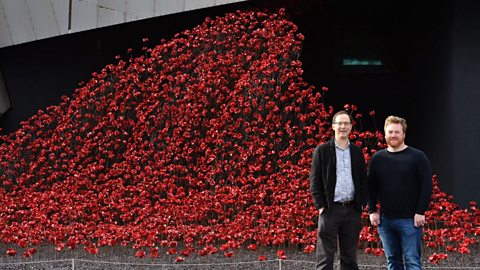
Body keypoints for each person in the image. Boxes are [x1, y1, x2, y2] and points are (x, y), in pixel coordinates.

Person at [368, 115, 432, 270]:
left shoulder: (417, 157)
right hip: (385, 221)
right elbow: (371, 186)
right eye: (390, 132)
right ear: (385, 134)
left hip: (410, 220)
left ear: (404, 134)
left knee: (412, 261)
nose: (393, 135)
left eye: (397, 132)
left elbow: (427, 186)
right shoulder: (378, 158)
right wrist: (372, 211)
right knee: (392, 261)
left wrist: (420, 211)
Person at [309, 110, 367, 270]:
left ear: (350, 127)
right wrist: (321, 206)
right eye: (339, 123)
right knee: (324, 258)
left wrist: (362, 204)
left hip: (352, 210)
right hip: (330, 210)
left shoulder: (356, 151)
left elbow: (363, 179)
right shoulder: (322, 151)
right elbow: (314, 182)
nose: (343, 126)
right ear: (333, 126)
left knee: (349, 257)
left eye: (346, 123)